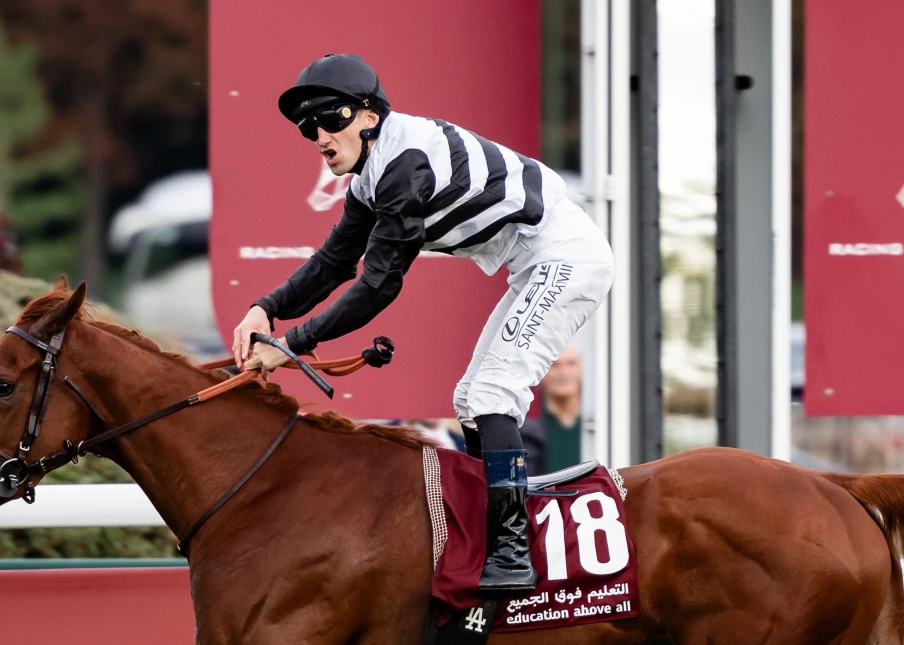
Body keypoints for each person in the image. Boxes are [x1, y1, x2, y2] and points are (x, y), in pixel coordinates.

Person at [230, 53, 615, 595]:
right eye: (306, 125)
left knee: (491, 394)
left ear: (369, 116)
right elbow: (334, 263)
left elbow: (380, 284)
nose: (318, 134)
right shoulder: (373, 173)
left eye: (330, 117)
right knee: (471, 398)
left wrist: (291, 343)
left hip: (565, 256)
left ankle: (512, 551)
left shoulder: (402, 163)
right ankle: (497, 538)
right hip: (538, 259)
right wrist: (264, 308)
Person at [517, 346, 611, 645]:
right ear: (541, 377)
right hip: (543, 560)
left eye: (571, 364)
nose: (562, 373)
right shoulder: (526, 433)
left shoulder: (602, 433)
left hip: (595, 560)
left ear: (583, 374)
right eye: (555, 365)